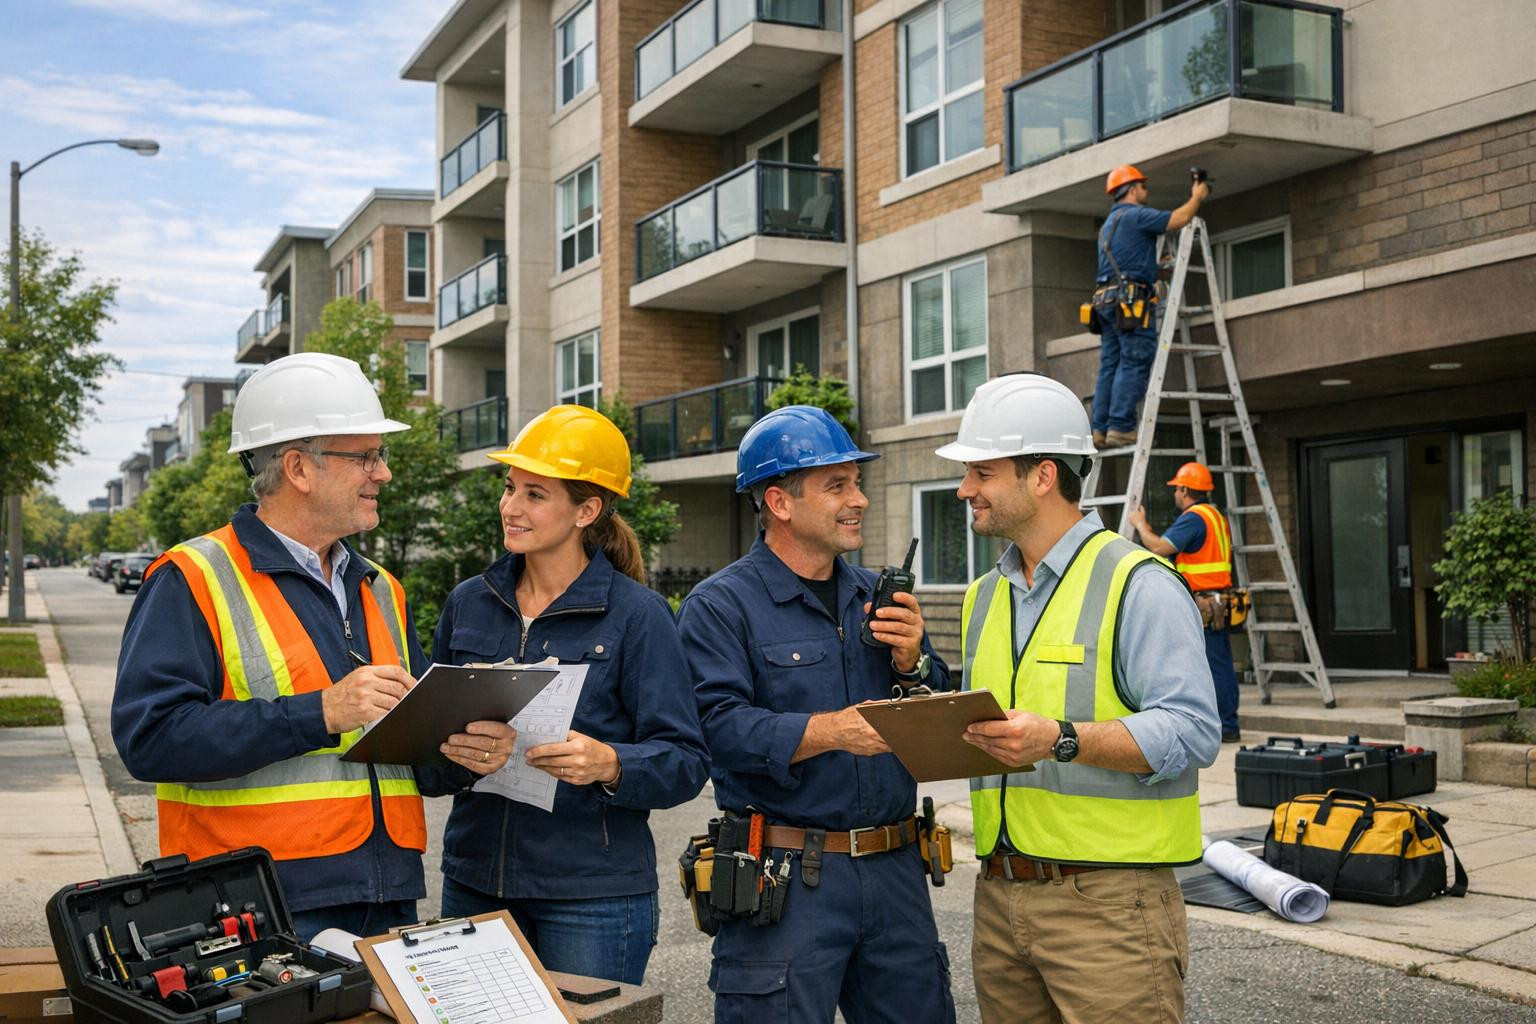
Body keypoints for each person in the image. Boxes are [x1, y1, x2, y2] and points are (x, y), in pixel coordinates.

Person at [112, 353, 516, 942]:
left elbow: (407, 757)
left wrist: (463, 755)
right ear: (298, 468)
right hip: (257, 907)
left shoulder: (381, 588)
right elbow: (150, 741)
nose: (383, 474)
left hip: (386, 894)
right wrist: (321, 712)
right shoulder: (193, 576)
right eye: (366, 457)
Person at [936, 373, 1220, 1024]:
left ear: (1042, 476)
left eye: (981, 472)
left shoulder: (1139, 582)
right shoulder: (985, 595)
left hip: (1110, 904)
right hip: (1000, 894)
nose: (964, 489)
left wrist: (1060, 738)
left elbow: (1193, 731)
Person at [677, 405, 956, 1024]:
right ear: (779, 502)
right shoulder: (721, 606)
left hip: (895, 871)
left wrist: (913, 663)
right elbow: (714, 728)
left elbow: (936, 707)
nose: (859, 500)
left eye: (856, 483)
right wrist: (832, 731)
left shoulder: (876, 597)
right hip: (784, 878)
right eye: (837, 486)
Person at [431, 405, 708, 985]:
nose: (510, 507)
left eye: (535, 494)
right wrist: (456, 756)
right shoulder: (468, 603)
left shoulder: (638, 616)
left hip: (592, 899)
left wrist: (610, 763)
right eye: (510, 488)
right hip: (474, 884)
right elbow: (428, 754)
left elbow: (685, 761)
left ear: (587, 510)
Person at [1091, 163, 1210, 449]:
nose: (1146, 190)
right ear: (1132, 190)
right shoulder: (1136, 215)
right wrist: (1197, 196)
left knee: (1110, 365)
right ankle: (1121, 427)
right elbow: (1179, 219)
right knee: (1134, 359)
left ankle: (1099, 428)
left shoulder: (1108, 226)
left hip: (1106, 302)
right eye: (1143, 186)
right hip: (1129, 303)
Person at [1129, 461, 1242, 743]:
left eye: (1176, 489)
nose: (1174, 494)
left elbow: (1159, 548)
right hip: (1216, 601)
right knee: (1220, 663)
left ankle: (1227, 726)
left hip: (1206, 603)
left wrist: (1140, 524)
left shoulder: (1194, 518)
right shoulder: (1214, 514)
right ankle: (1228, 723)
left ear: (1184, 489)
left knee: (1213, 666)